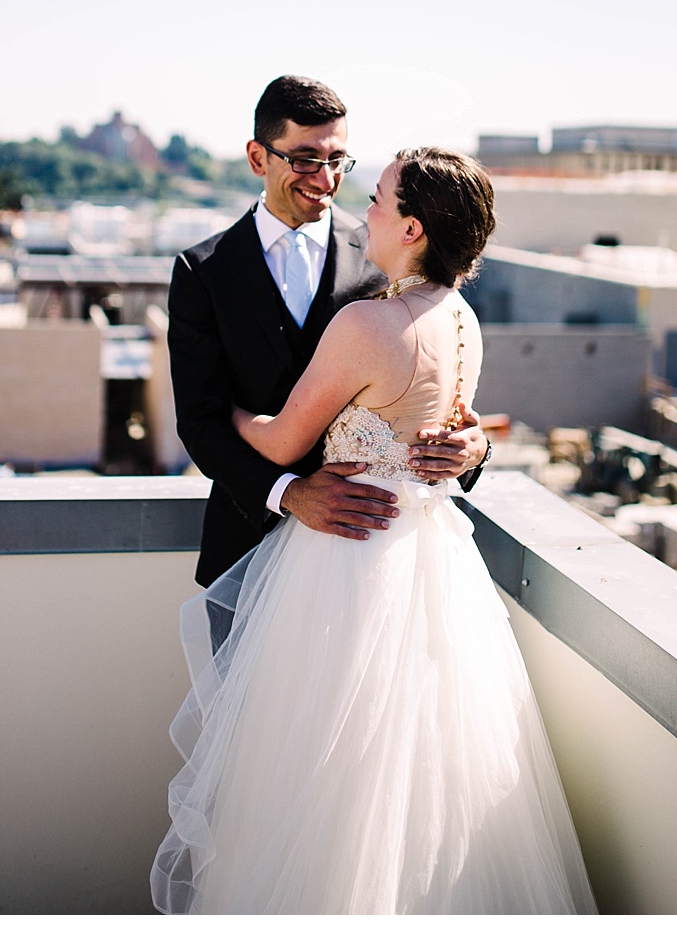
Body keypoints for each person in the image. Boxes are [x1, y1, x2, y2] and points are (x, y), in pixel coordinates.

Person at [151, 146, 597, 914]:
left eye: (382, 200)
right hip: (431, 562)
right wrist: (474, 443)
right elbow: (446, 428)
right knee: (415, 776)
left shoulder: (369, 320)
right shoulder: (463, 320)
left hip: (345, 566)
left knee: (319, 777)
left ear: (415, 228)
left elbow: (286, 440)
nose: (365, 210)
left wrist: (219, 411)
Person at [167, 75, 490, 588]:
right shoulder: (201, 270)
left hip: (371, 551)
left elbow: (429, 391)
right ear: (258, 158)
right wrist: (289, 493)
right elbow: (199, 422)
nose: (325, 179)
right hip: (243, 539)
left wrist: (473, 451)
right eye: (305, 160)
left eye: (337, 160)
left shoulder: (392, 256)